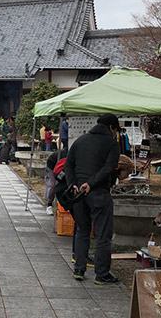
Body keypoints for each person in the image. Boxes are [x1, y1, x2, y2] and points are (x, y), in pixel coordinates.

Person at [65, 113, 120, 284]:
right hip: (99, 193)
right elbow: (109, 168)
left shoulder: (80, 140)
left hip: (78, 195)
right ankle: (102, 274)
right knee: (103, 235)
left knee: (82, 231)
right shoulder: (112, 144)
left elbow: (69, 163)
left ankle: (79, 269)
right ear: (112, 127)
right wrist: (91, 183)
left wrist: (73, 183)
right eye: (115, 130)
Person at [45, 148, 68, 215]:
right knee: (52, 184)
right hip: (52, 165)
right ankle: (49, 205)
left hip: (62, 166)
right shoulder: (66, 154)